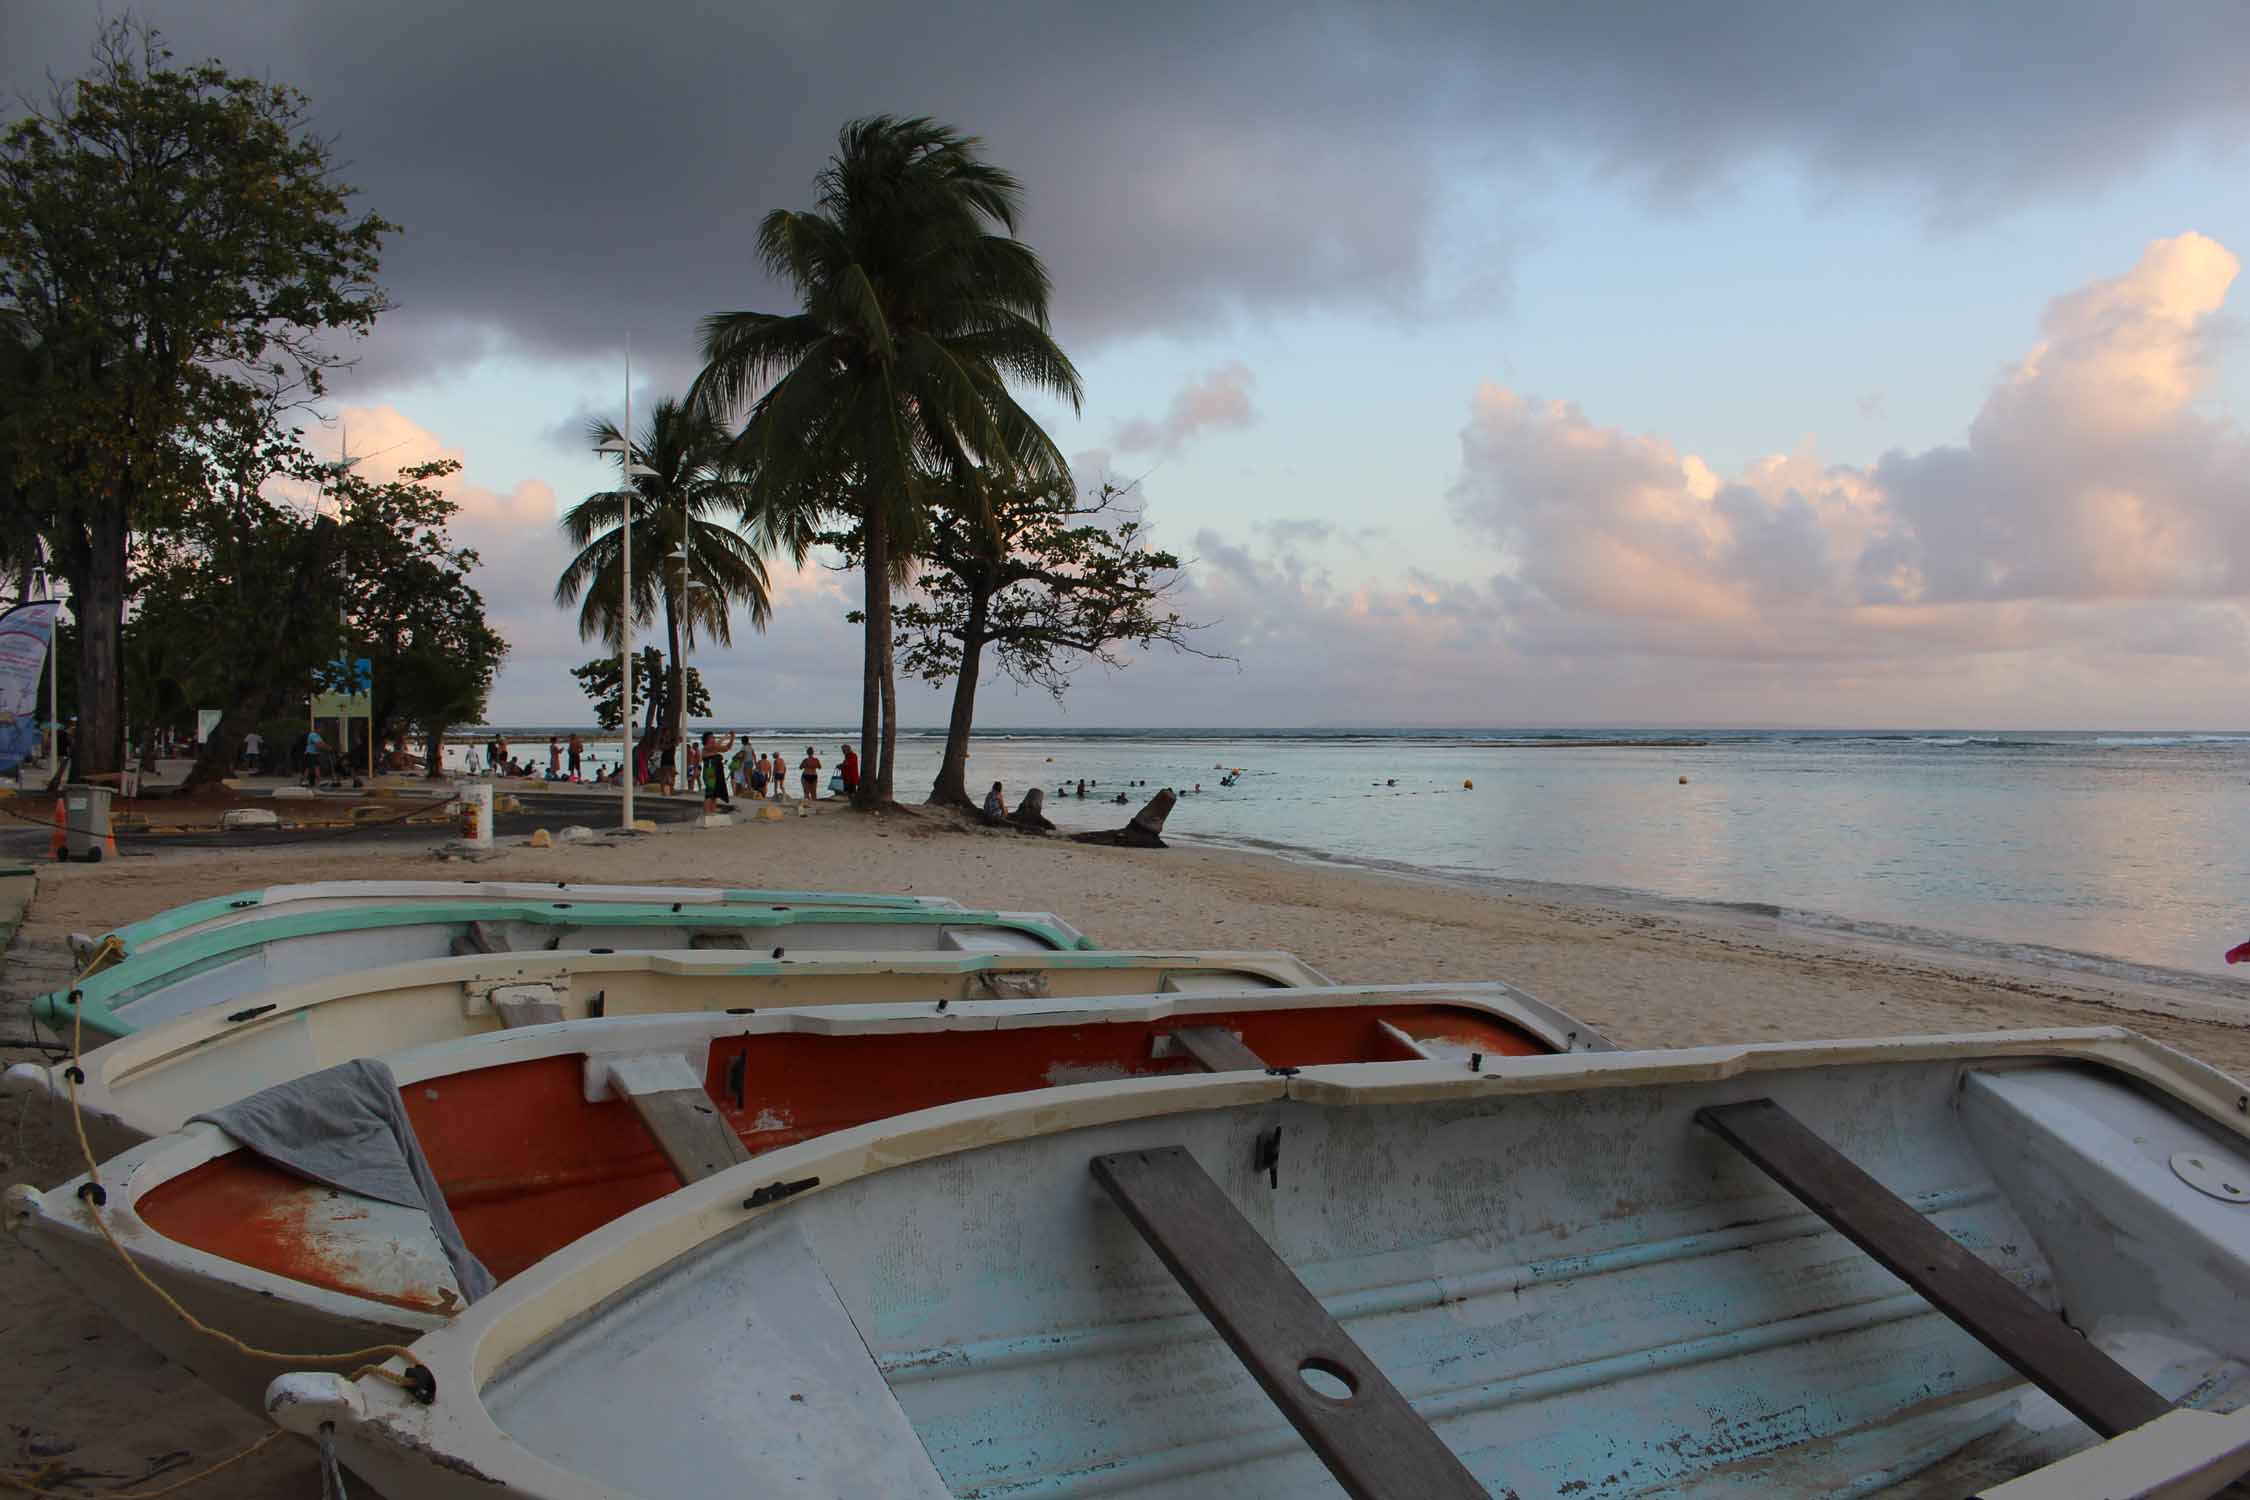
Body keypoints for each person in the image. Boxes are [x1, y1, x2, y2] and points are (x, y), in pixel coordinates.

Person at [700, 733, 734, 815]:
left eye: (714, 737)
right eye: (712, 737)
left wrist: (732, 738)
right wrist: (725, 736)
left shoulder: (714, 748)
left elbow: (727, 748)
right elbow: (716, 745)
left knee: (715, 794)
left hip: (717, 772)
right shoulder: (706, 748)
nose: (714, 739)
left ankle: (713, 811)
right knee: (709, 793)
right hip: (710, 771)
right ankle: (707, 812)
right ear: (707, 739)